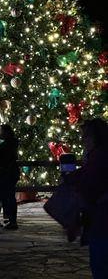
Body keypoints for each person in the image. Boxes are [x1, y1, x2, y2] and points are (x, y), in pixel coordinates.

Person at [65, 118, 108, 278]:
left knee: (101, 266)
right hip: (99, 219)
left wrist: (74, 220)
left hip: (102, 221)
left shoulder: (98, 157)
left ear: (95, 137)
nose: (83, 141)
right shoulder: (97, 156)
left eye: (85, 137)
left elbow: (89, 189)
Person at [0, 124, 20, 230]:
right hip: (10, 172)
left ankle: (12, 220)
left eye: (0, 131)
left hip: (7, 173)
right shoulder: (10, 143)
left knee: (8, 197)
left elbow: (4, 158)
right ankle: (10, 219)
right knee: (8, 197)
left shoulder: (7, 145)